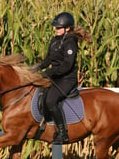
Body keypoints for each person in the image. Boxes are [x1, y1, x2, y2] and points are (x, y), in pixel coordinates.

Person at [37, 11, 90, 145]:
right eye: (56, 28)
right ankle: (46, 120)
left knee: (51, 100)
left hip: (66, 79)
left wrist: (50, 72)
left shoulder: (71, 42)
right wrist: (35, 68)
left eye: (59, 28)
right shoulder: (55, 40)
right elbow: (48, 59)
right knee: (40, 92)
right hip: (55, 76)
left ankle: (62, 133)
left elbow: (67, 65)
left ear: (67, 28)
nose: (56, 30)